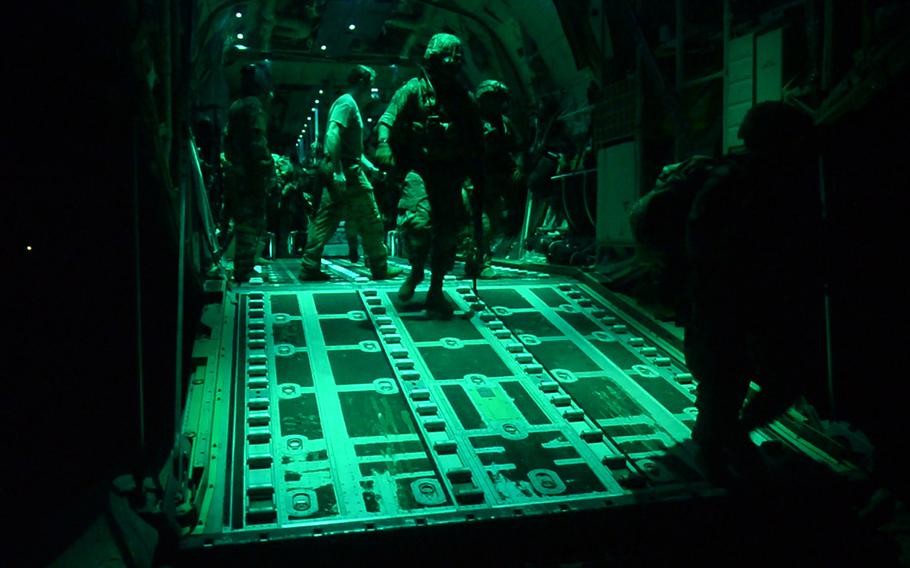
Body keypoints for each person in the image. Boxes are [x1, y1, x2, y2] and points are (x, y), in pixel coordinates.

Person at [684, 102, 826, 480]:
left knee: (729, 379)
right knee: (741, 379)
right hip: (740, 298)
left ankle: (724, 439)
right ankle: (722, 446)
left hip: (726, 299)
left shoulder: (731, 179)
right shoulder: (758, 182)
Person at [374, 33, 485, 317]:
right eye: (448, 58)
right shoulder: (412, 90)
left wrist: (477, 172)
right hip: (420, 170)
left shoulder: (464, 99)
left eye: (457, 60)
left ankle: (436, 289)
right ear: (434, 60)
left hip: (450, 172)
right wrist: (384, 144)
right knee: (417, 224)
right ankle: (415, 272)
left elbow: (477, 138)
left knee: (447, 235)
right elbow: (387, 120)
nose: (453, 65)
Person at [298, 65, 403, 281]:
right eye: (371, 84)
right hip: (347, 170)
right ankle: (379, 266)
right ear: (363, 82)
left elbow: (353, 149)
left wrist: (371, 168)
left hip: (344, 166)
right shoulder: (347, 103)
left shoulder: (348, 103)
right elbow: (333, 134)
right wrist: (338, 171)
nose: (372, 90)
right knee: (370, 218)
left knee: (327, 218)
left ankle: (309, 265)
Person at [460, 79, 524, 278]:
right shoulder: (470, 122)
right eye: (491, 99)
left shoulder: (504, 123)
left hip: (496, 185)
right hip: (474, 183)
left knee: (495, 225)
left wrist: (518, 167)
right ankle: (482, 264)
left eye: (498, 100)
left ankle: (473, 261)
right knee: (483, 225)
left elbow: (518, 148)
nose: (495, 104)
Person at [222, 62, 274, 283]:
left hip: (237, 173)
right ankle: (244, 267)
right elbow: (257, 141)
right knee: (251, 222)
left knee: (243, 220)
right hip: (252, 176)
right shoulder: (253, 106)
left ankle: (245, 263)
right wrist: (267, 168)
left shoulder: (235, 106)